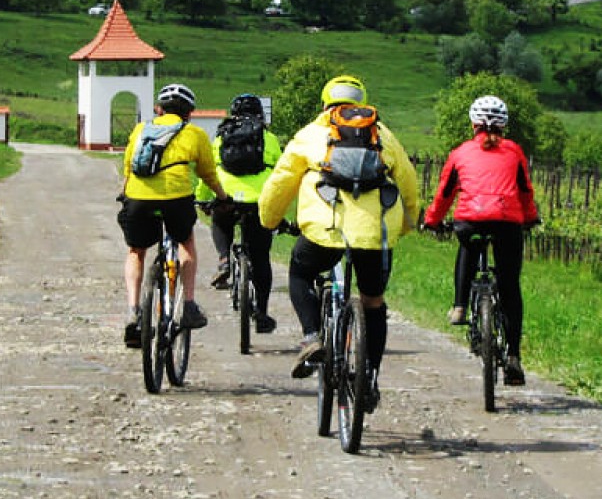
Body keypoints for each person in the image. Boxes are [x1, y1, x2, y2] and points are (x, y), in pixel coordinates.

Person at [258, 75, 421, 412]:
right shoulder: (384, 135)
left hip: (325, 230)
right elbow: (408, 183)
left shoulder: (310, 135)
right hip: (376, 233)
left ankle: (311, 336)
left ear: (325, 104)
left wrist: (269, 220)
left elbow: (279, 184)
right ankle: (369, 376)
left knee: (301, 272)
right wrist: (406, 225)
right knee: (373, 302)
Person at [422, 94, 540, 387]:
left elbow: (445, 192)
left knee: (468, 246)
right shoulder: (514, 152)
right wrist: (531, 217)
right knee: (510, 285)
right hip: (507, 223)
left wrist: (432, 220)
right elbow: (525, 191)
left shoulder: (460, 152)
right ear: (504, 124)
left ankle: (460, 305)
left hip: (470, 220)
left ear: (473, 123)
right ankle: (513, 356)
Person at [119, 83, 231, 349]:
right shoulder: (194, 134)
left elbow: (128, 168)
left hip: (138, 197)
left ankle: (133, 310)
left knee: (136, 251)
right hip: (176, 199)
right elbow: (208, 173)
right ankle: (189, 305)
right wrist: (222, 198)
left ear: (159, 109)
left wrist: (126, 195)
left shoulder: (140, 130)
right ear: (189, 113)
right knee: (186, 243)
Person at [197, 93, 284, 334]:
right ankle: (263, 314)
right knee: (261, 258)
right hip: (260, 201)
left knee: (220, 219)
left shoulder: (223, 135)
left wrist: (204, 198)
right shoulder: (270, 138)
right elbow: (281, 173)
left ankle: (224, 259)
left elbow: (210, 170)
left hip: (228, 196)